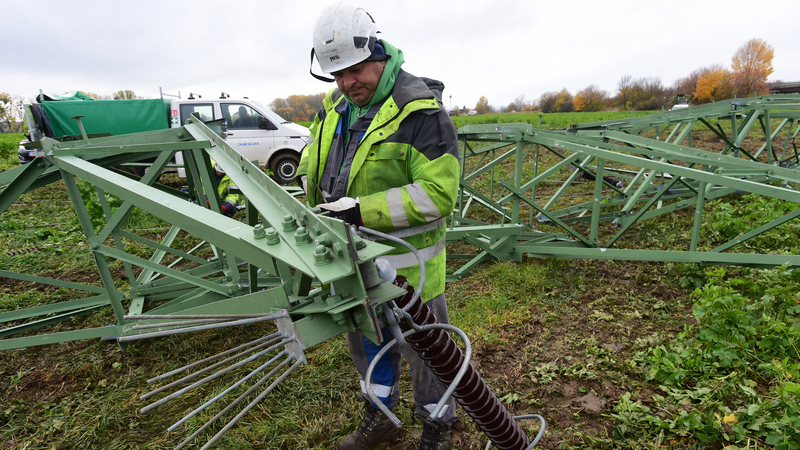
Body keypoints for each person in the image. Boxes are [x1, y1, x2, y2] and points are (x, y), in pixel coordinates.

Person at [297, 3, 461, 449]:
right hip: (351, 264)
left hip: (410, 271)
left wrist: (359, 210)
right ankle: (382, 417)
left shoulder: (420, 112)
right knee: (367, 343)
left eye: (354, 70)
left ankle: (436, 427)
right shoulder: (335, 107)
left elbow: (438, 194)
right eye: (337, 75)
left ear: (378, 52)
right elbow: (318, 166)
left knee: (429, 353)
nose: (347, 83)